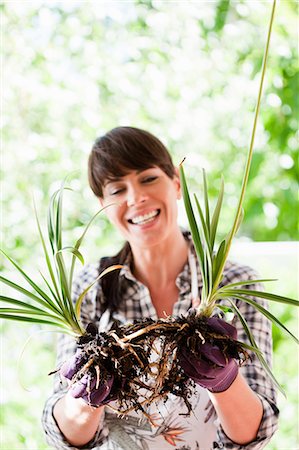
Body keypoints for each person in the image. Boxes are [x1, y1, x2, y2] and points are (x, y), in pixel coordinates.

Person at [42, 126, 279, 450]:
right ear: (102, 203)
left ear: (176, 183)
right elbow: (65, 437)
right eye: (116, 189)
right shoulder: (90, 289)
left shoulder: (232, 284)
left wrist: (226, 381)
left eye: (148, 178)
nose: (135, 197)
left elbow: (256, 433)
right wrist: (84, 398)